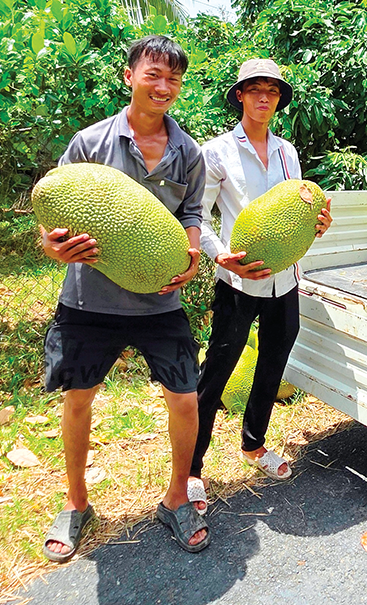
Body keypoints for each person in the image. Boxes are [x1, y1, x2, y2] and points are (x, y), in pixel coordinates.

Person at [38, 35, 210, 560]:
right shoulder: (89, 142)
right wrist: (52, 246)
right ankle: (76, 502)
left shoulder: (188, 153)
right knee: (78, 399)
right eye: (153, 74)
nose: (163, 86)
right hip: (88, 301)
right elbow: (54, 212)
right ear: (130, 76)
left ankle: (177, 496)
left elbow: (191, 214)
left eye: (173, 79)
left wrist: (192, 254)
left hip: (159, 299)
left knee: (185, 397)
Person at [188, 58, 332, 513]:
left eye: (272, 90)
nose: (264, 97)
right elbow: (197, 215)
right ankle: (191, 469)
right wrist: (219, 254)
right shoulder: (216, 152)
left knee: (273, 363)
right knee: (217, 370)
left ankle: (254, 444)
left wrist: (318, 223)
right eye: (255, 89)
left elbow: (296, 214)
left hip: (285, 281)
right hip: (238, 280)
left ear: (279, 99)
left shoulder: (289, 153)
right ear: (240, 96)